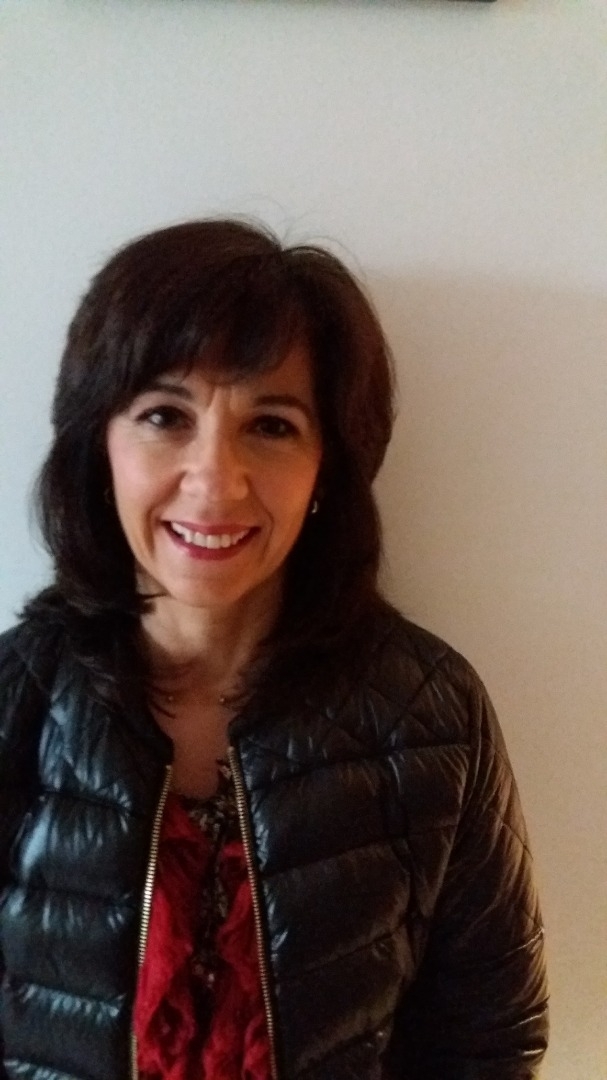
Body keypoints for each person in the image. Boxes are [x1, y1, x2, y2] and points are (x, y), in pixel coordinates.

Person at [0, 219, 548, 1080]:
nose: (214, 481)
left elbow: (487, 1042)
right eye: (164, 416)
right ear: (98, 443)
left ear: (328, 464)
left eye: (271, 425)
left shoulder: (428, 712)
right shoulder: (14, 698)